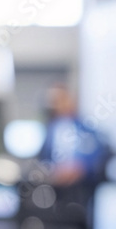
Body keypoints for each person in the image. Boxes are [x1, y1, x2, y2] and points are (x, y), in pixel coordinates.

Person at [36, 82, 110, 211]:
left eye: (60, 99)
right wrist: (52, 170)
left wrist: (81, 167)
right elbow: (42, 158)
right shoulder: (49, 129)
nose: (57, 104)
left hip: (82, 188)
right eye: (54, 101)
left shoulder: (88, 128)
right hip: (54, 188)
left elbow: (100, 154)